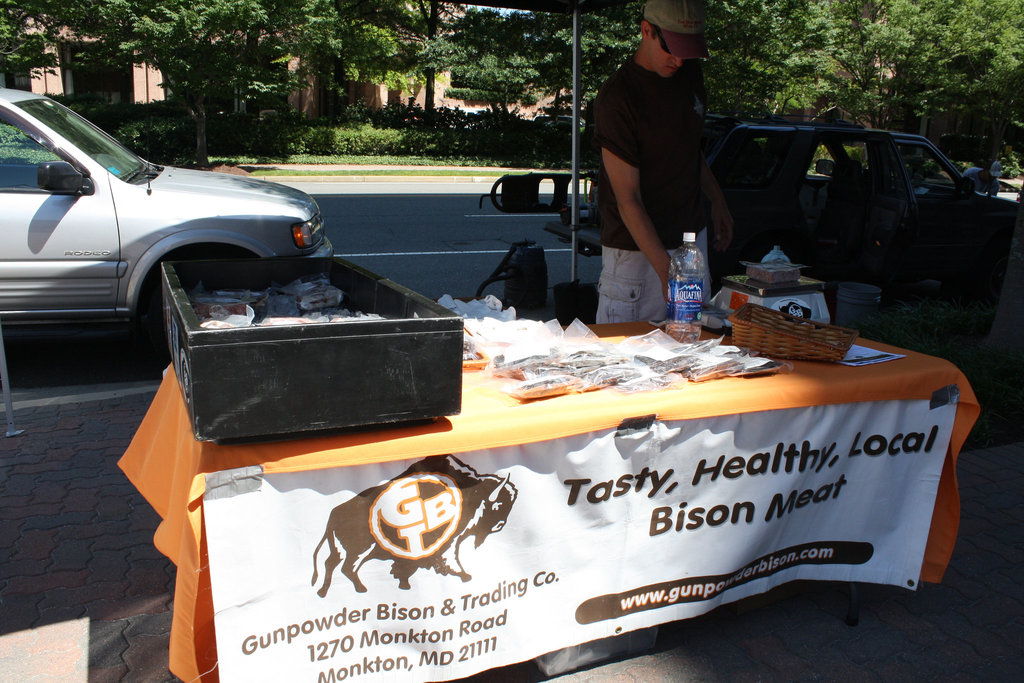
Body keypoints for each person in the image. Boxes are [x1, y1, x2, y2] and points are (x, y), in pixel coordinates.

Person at [592, 0, 733, 324]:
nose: (680, 60)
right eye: (672, 48)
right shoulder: (618, 96)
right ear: (646, 30)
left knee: (693, 356)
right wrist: (667, 272)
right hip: (635, 255)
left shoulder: (688, 73)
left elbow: (688, 149)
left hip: (690, 246)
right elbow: (628, 200)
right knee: (626, 365)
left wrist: (718, 200)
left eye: (689, 50)